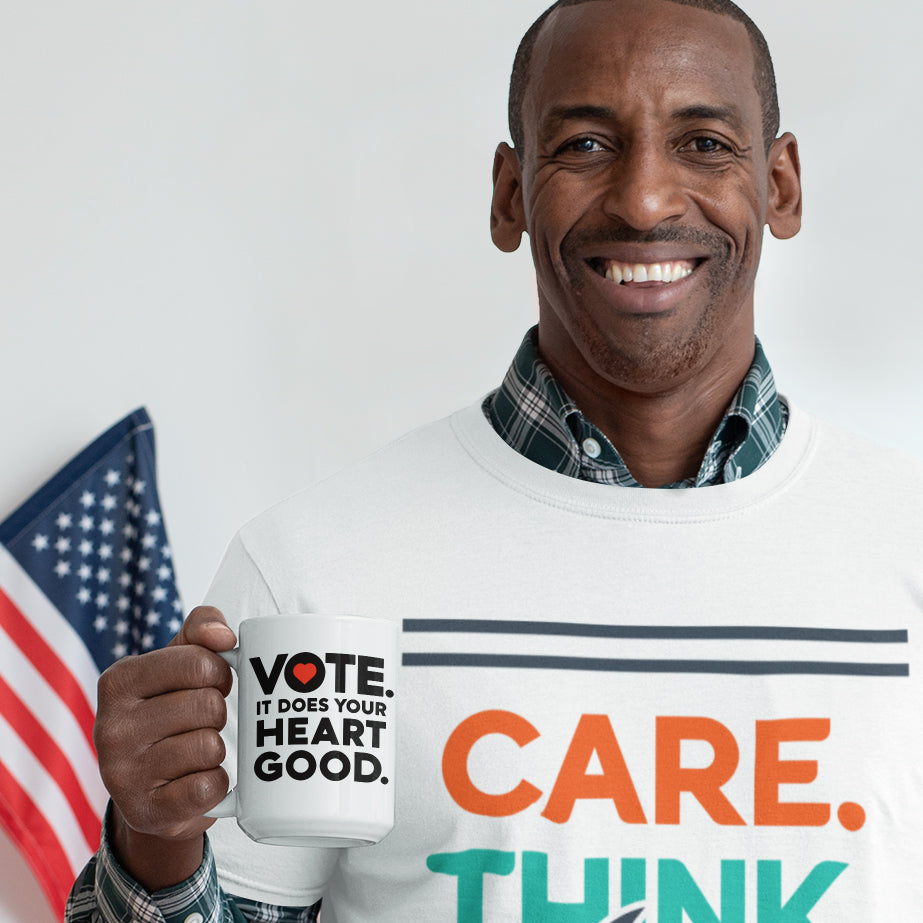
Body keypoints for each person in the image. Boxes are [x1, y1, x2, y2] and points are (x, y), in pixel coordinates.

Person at [67, 0, 923, 920]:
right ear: (510, 194)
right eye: (586, 146)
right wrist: (153, 845)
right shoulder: (314, 572)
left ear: (781, 184)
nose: (642, 199)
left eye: (704, 143)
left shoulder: (902, 546)